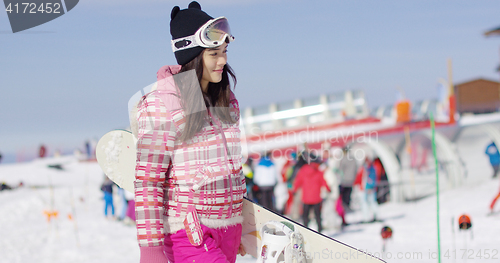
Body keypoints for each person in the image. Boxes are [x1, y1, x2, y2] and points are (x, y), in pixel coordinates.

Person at [131, 3, 245, 262]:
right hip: (189, 233)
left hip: (229, 230)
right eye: (214, 53)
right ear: (192, 56)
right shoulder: (162, 104)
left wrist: (243, 225)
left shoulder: (224, 100)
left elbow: (230, 170)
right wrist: (150, 249)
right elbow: (148, 182)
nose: (223, 60)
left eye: (225, 52)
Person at [292, 160, 331, 233]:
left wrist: (294, 190)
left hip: (306, 198)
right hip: (316, 198)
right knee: (317, 215)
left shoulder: (303, 170)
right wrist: (328, 189)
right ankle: (320, 230)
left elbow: (298, 181)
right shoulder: (318, 171)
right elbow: (323, 181)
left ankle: (305, 229)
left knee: (305, 215)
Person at [354, 157, 379, 222]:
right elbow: (359, 178)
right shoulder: (365, 169)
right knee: (365, 203)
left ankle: (374, 216)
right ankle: (367, 217)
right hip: (364, 188)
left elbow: (371, 179)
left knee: (371, 202)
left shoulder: (370, 169)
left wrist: (370, 187)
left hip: (369, 188)